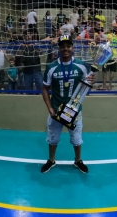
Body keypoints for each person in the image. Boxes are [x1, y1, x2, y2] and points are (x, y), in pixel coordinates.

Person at [41, 35, 95, 174]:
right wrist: (50, 109)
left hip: (74, 111)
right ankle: (51, 160)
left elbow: (87, 86)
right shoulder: (51, 67)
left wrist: (91, 83)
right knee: (53, 138)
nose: (65, 49)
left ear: (72, 47)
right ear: (59, 48)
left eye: (68, 46)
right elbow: (45, 89)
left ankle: (78, 161)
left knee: (77, 139)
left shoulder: (82, 66)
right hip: (56, 111)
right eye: (63, 46)